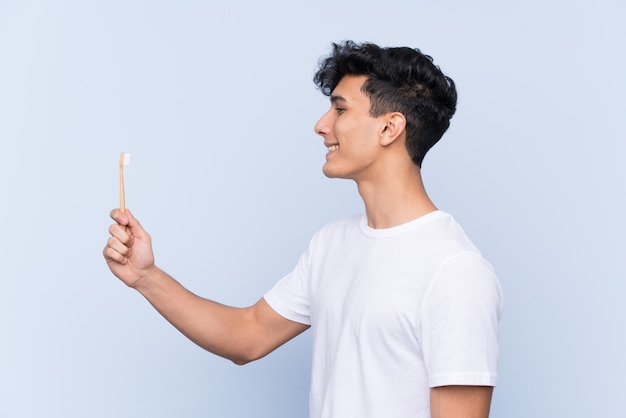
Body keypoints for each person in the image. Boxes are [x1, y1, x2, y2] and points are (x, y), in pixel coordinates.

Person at [104, 40, 503, 418]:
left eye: (341, 110)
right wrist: (146, 277)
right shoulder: (332, 243)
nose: (321, 125)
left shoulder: (455, 271)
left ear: (389, 128)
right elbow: (248, 335)